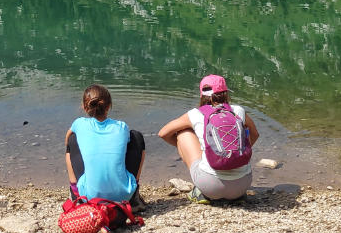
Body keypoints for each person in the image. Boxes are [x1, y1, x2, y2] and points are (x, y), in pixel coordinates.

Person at [157, 74, 258, 203]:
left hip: (210, 187)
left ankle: (199, 192)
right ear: (226, 93)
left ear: (202, 95)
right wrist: (237, 152)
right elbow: (255, 134)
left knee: (182, 133)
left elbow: (163, 133)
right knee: (245, 132)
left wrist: (188, 151)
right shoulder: (238, 111)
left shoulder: (195, 114)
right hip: (243, 185)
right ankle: (236, 192)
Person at [65, 84, 146, 212]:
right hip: (124, 195)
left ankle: (75, 193)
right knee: (136, 137)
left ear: (84, 107)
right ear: (109, 106)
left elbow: (67, 140)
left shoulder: (79, 123)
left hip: (89, 197)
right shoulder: (121, 126)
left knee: (73, 139)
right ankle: (134, 195)